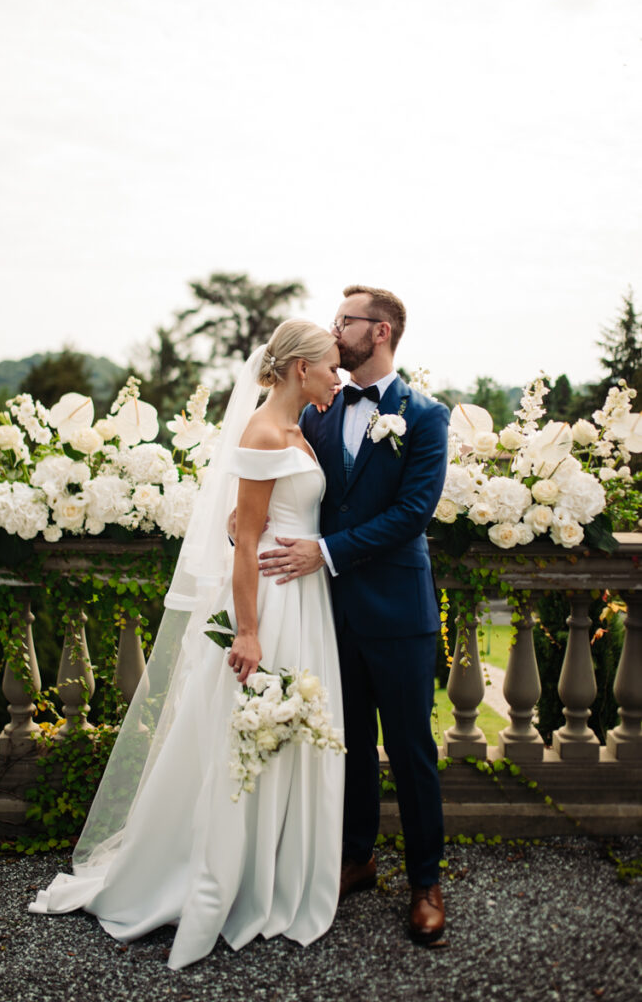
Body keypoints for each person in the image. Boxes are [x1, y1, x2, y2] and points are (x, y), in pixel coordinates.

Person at [29, 321, 346, 970]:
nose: (339, 378)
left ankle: (273, 871)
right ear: (299, 370)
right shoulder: (262, 432)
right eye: (332, 367)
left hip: (305, 598)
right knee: (247, 734)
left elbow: (251, 519)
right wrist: (251, 631)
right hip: (273, 605)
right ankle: (225, 878)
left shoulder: (298, 431)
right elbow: (248, 543)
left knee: (283, 734)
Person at [259, 285, 449, 944]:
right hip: (324, 613)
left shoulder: (424, 415)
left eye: (347, 321)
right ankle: (357, 856)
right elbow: (276, 469)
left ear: (381, 332)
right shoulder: (318, 406)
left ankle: (426, 879)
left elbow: (411, 515)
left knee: (412, 749)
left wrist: (327, 552)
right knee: (347, 748)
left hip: (398, 610)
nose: (334, 330)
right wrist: (242, 515)